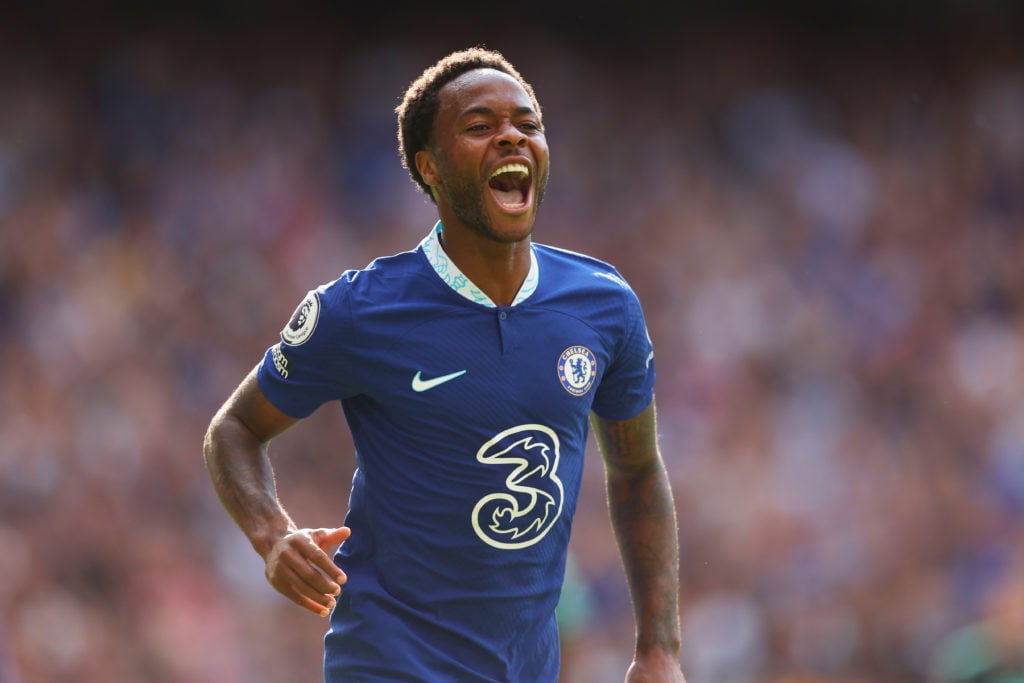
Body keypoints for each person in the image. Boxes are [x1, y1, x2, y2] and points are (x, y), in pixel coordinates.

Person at [204, 46, 685, 682]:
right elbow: (234, 430)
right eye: (480, 126)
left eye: (527, 123)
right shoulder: (360, 310)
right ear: (429, 168)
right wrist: (272, 536)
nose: (511, 135)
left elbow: (638, 471)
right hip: (387, 662)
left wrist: (659, 648)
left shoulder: (603, 306)